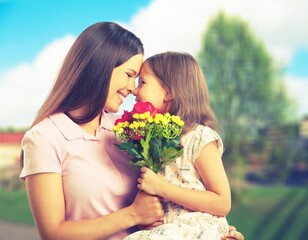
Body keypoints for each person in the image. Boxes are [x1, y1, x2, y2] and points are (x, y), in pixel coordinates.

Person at [19, 22, 244, 240]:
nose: (132, 89)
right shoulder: (43, 138)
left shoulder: (129, 130)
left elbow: (180, 190)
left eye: (138, 80)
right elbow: (52, 234)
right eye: (129, 75)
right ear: (101, 67)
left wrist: (214, 232)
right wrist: (132, 215)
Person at [124, 51, 235, 240]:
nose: (134, 90)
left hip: (195, 228)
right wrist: (145, 220)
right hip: (166, 231)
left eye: (142, 82)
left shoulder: (199, 137)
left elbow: (222, 202)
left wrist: (162, 188)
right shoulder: (151, 141)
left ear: (168, 93)